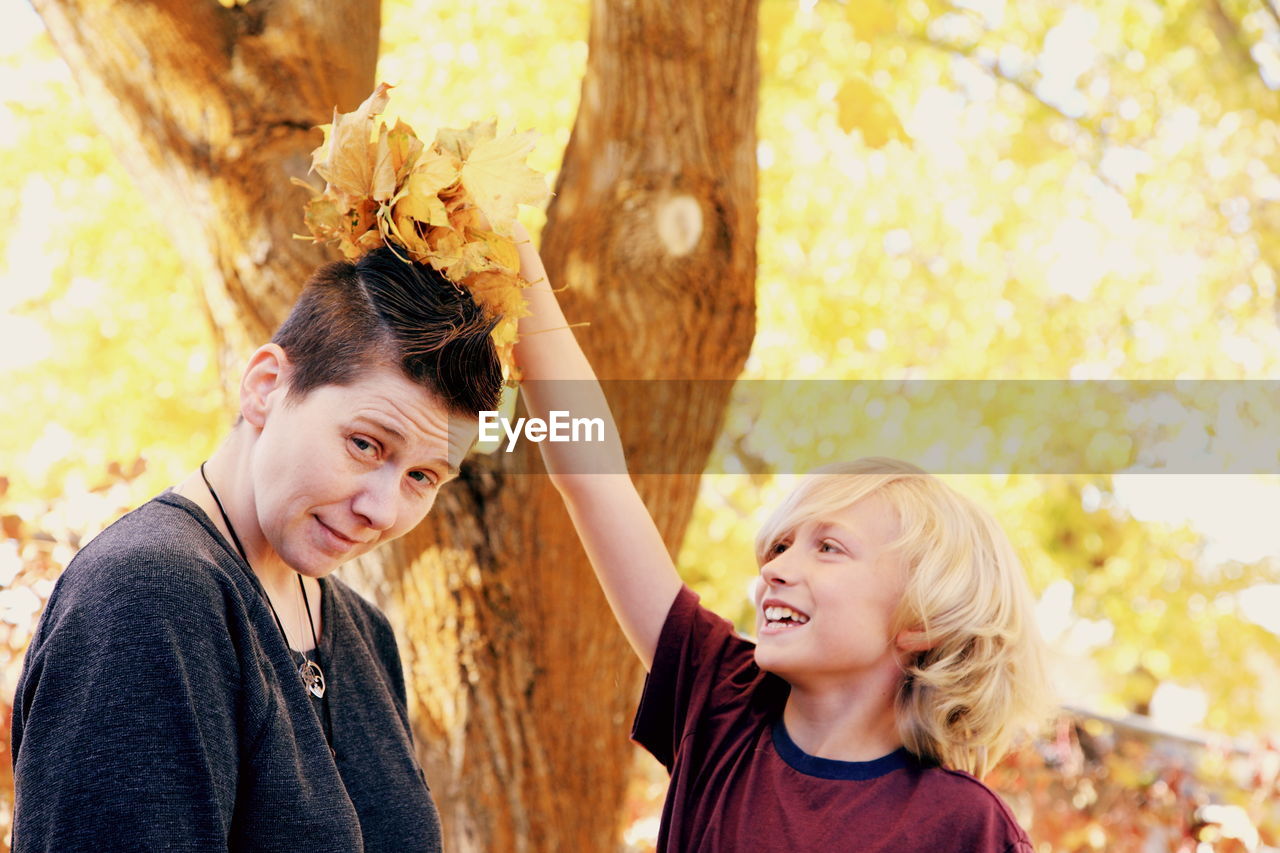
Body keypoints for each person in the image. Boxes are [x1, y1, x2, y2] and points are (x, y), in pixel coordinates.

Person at [511, 233, 1051, 851]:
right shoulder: (721, 700)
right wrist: (517, 259)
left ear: (922, 620)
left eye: (829, 548)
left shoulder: (962, 826)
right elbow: (593, 477)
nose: (776, 569)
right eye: (780, 547)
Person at [11, 247, 502, 852]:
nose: (384, 509)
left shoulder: (363, 631)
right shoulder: (147, 593)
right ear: (266, 387)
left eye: (423, 477)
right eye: (367, 445)